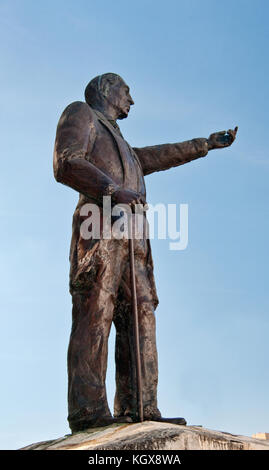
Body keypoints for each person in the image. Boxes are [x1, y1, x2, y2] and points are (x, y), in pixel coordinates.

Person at [53, 73, 237, 432]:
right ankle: (89, 411)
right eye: (127, 92)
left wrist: (205, 145)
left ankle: (141, 407)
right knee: (96, 315)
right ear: (106, 91)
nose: (131, 100)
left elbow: (158, 155)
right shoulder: (81, 115)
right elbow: (66, 162)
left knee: (142, 316)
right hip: (99, 229)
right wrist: (111, 190)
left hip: (135, 242)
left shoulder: (123, 147)